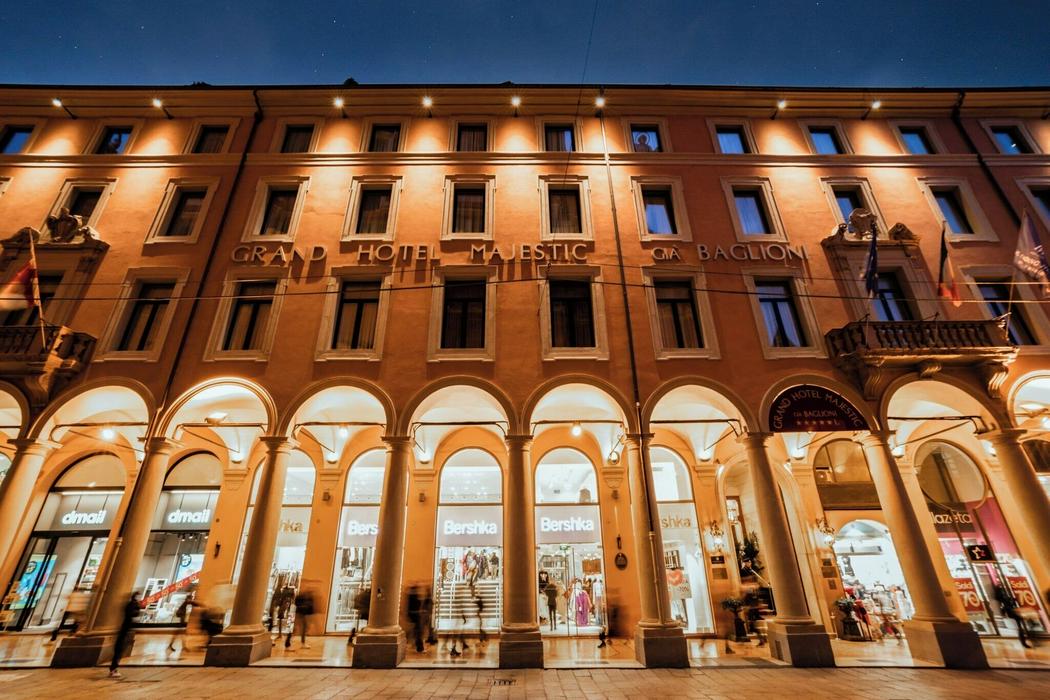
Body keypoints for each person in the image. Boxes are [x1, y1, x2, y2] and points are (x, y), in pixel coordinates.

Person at [109, 592, 141, 679]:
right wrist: (137, 611)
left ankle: (114, 668)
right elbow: (132, 614)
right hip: (125, 630)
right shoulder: (133, 605)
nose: (140, 597)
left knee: (120, 649)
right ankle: (113, 669)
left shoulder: (132, 604)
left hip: (125, 629)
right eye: (138, 596)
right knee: (119, 649)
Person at [995, 584, 1032, 649]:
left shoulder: (1004, 595)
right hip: (1012, 612)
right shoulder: (1003, 596)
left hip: (1013, 611)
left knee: (1020, 626)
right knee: (1020, 627)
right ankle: (1024, 642)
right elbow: (1006, 603)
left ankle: (1024, 641)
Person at [287, 584, 315, 650]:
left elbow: (310, 608)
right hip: (299, 614)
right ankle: (287, 645)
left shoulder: (308, 597)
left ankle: (302, 643)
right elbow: (297, 605)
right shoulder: (301, 597)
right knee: (294, 629)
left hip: (302, 614)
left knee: (302, 629)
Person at [407, 583, 425, 653]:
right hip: (416, 615)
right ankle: (419, 648)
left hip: (413, 615)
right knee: (418, 632)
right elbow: (418, 605)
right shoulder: (414, 597)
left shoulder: (410, 597)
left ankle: (417, 645)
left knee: (416, 631)